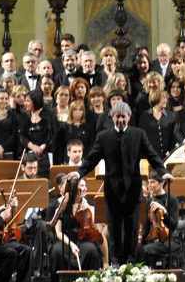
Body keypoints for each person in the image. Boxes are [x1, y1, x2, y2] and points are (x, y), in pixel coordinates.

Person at [69, 101, 171, 265]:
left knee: (131, 227)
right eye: (117, 117)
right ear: (112, 117)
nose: (121, 120)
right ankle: (116, 261)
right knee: (114, 226)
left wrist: (164, 172)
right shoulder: (104, 136)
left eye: (123, 117)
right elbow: (92, 159)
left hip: (133, 189)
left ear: (129, 117)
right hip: (113, 190)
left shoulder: (139, 134)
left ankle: (130, 260)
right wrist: (79, 172)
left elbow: (152, 155)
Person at [50, 176, 104, 271]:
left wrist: (89, 209)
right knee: (57, 251)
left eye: (85, 186)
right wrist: (71, 244)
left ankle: (90, 281)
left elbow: (98, 230)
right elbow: (58, 232)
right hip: (65, 240)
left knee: (91, 249)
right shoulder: (63, 205)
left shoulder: (89, 204)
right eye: (81, 186)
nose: (84, 189)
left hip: (83, 239)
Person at [135, 171, 180, 266]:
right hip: (153, 238)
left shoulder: (171, 199)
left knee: (146, 250)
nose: (150, 185)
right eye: (149, 182)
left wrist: (164, 210)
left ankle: (150, 276)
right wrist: (141, 237)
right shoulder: (150, 200)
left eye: (153, 182)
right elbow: (147, 224)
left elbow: (174, 225)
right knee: (136, 248)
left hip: (169, 239)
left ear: (162, 183)